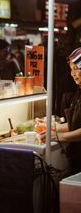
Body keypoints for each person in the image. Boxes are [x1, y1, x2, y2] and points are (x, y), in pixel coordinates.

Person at [40, 46, 81, 174]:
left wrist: (60, 136)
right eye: (71, 70)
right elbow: (75, 124)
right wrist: (52, 127)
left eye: (76, 69)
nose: (73, 74)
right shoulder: (79, 91)